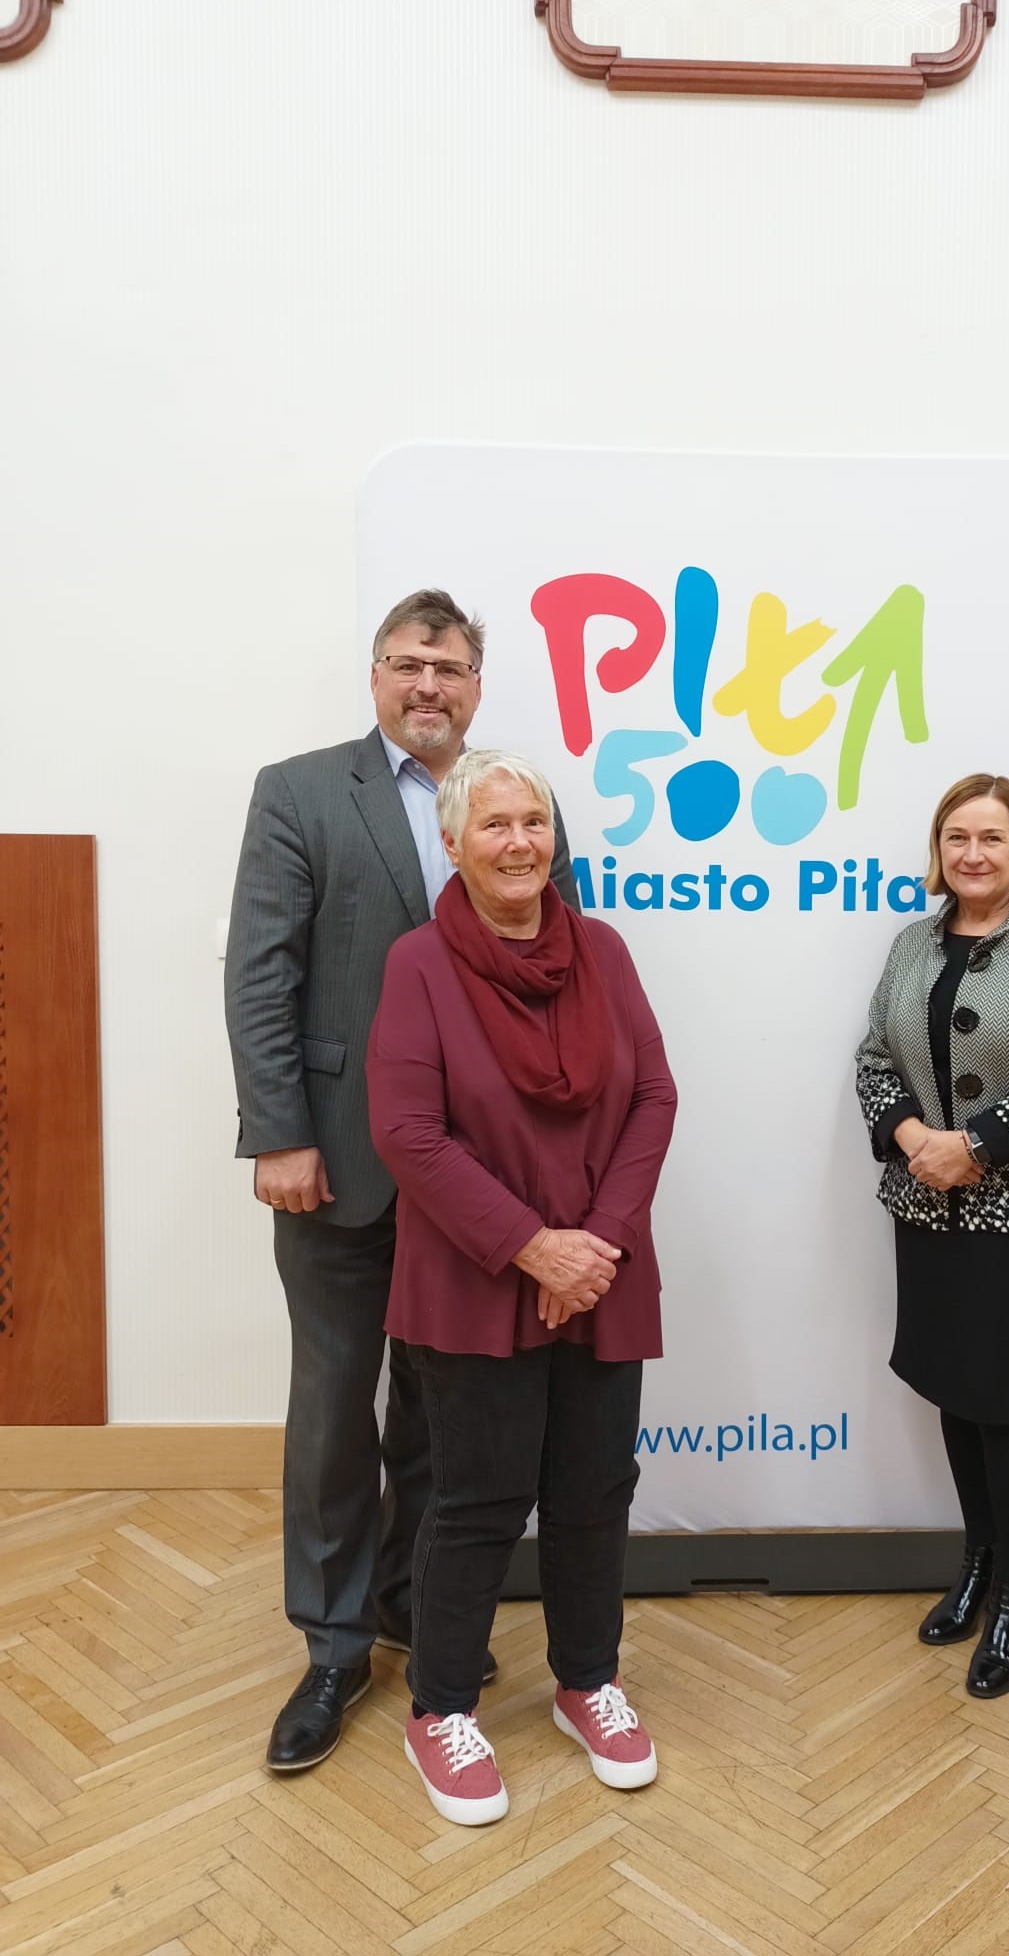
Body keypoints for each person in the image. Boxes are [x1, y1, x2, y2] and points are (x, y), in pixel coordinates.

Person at [225, 590, 580, 1773]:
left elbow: (547, 967)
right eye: (408, 663)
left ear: (479, 683)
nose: (429, 685)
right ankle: (331, 1645)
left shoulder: (511, 799)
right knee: (335, 1411)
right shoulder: (302, 789)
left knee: (444, 1412)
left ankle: (409, 1606)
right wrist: (279, 1130)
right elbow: (262, 971)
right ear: (376, 673)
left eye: (451, 666)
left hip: (476, 1183)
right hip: (339, 1164)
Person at [366, 749, 676, 1826]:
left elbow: (651, 1096)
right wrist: (532, 1246)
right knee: (477, 1498)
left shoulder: (605, 948)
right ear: (452, 841)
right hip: (473, 1273)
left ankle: (589, 1680)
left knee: (596, 1489)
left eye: (533, 821)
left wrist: (591, 1244)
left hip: (602, 1271)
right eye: (492, 823)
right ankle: (440, 1706)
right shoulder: (418, 964)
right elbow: (407, 1133)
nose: (517, 841)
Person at [855, 774, 1009, 1698]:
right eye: (957, 837)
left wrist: (980, 1148)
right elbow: (876, 1057)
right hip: (928, 1207)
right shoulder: (912, 942)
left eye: (992, 838)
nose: (973, 854)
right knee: (957, 1394)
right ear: (939, 850)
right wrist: (917, 1140)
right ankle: (978, 1563)